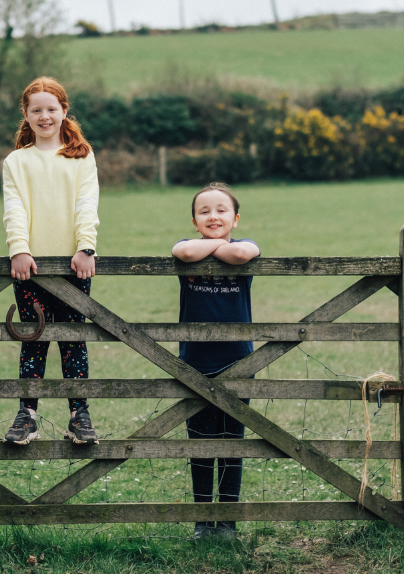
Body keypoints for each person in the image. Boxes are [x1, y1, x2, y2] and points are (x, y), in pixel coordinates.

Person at [1, 77, 100, 446]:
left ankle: (80, 415)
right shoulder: (16, 161)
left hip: (75, 266)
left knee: (74, 339)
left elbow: (86, 203)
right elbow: (14, 208)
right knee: (34, 338)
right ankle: (27, 414)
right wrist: (19, 250)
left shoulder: (81, 156)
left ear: (64, 111)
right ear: (26, 115)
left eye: (51, 109)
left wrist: (86, 248)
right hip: (30, 267)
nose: (45, 116)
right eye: (36, 110)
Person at [171, 182, 261, 540]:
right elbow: (184, 253)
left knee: (231, 443)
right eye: (204, 211)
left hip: (237, 359)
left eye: (222, 210)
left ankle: (226, 522)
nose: (213, 216)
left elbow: (241, 257)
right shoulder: (187, 247)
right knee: (199, 444)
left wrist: (219, 247)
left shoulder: (244, 246)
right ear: (194, 221)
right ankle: (201, 520)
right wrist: (215, 246)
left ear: (235, 219)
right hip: (194, 359)